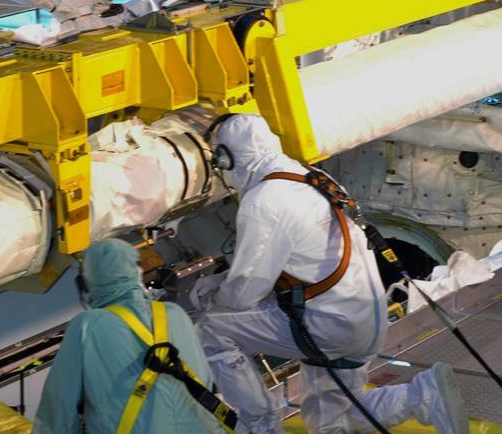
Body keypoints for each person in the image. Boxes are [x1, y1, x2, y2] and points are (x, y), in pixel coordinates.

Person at [194, 114, 469, 434]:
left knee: (212, 328)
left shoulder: (263, 200)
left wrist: (213, 293)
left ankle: (259, 424)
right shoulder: (308, 175)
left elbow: (245, 293)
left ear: (227, 157)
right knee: (331, 420)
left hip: (331, 325)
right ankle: (420, 396)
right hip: (366, 316)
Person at [33, 238, 226, 433]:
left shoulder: (87, 326)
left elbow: (58, 408)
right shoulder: (175, 314)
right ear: (135, 271)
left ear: (89, 282)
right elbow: (205, 380)